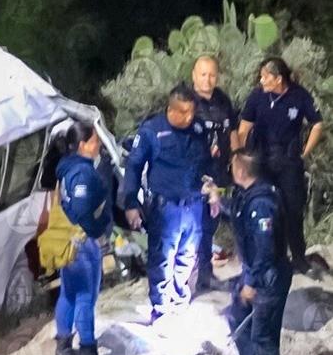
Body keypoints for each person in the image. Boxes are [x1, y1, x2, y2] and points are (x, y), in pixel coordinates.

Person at [209, 149, 292, 355]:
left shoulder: (262, 204)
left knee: (263, 334)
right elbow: (237, 211)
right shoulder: (248, 195)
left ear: (242, 171)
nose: (230, 169)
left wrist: (252, 283)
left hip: (268, 276)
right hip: (254, 270)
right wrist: (217, 199)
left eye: (233, 166)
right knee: (236, 315)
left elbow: (265, 251)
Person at [124, 83, 210, 322]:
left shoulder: (199, 129)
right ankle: (160, 307)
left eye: (192, 111)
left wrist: (212, 188)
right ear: (170, 109)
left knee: (188, 256)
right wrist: (131, 203)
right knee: (162, 259)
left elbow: (205, 164)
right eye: (183, 112)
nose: (189, 117)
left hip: (193, 205)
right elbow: (133, 167)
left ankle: (180, 299)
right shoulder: (151, 131)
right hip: (166, 208)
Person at [238, 57, 323, 274]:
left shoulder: (299, 95)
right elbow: (244, 128)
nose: (261, 79)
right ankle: (270, 258)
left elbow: (317, 123)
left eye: (266, 76)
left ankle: (299, 259)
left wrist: (305, 151)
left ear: (278, 79)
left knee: (293, 210)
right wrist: (240, 157)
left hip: (289, 161)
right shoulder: (257, 96)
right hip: (262, 160)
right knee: (266, 209)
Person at [53, 121, 116, 355]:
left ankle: (64, 347)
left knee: (68, 293)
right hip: (81, 243)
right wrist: (98, 228)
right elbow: (81, 211)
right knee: (85, 297)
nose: (98, 144)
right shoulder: (82, 173)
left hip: (67, 240)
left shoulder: (68, 169)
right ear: (82, 145)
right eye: (95, 141)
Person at [191, 56, 239, 291]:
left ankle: (205, 276)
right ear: (194, 76)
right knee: (194, 226)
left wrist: (237, 157)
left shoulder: (223, 100)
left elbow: (232, 131)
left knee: (210, 225)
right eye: (203, 74)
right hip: (195, 176)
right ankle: (188, 278)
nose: (207, 79)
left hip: (219, 173)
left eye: (212, 74)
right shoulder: (186, 101)